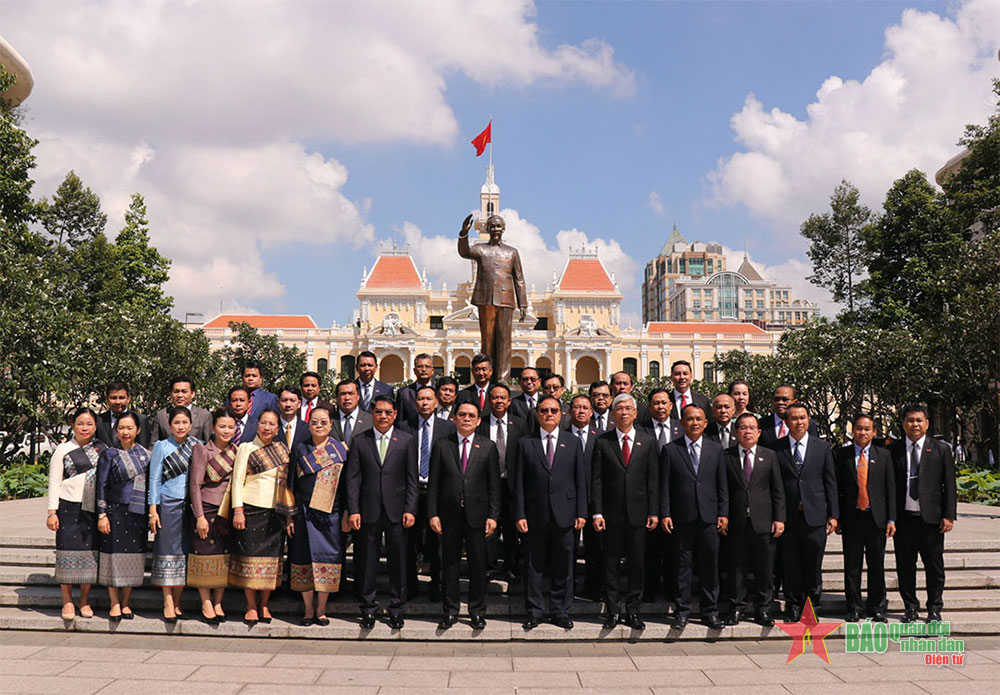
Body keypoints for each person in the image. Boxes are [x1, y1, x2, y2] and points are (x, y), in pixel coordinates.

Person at [514, 396, 587, 629]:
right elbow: (519, 484)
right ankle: (534, 611)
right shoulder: (526, 443)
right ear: (537, 414)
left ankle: (560, 610)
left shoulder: (572, 442)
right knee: (534, 565)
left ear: (561, 414)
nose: (549, 414)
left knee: (563, 566)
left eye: (553, 410)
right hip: (534, 515)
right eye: (544, 410)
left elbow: (580, 481)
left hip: (565, 514)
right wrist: (520, 514)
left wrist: (581, 512)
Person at [428, 401, 502, 630]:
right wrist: (433, 514)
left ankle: (477, 611)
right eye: (462, 415)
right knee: (449, 564)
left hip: (478, 516)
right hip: (448, 515)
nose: (467, 419)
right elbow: (434, 484)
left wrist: (493, 515)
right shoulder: (442, 446)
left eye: (472, 415)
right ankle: (450, 611)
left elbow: (494, 486)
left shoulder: (488, 447)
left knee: (478, 565)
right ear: (454, 419)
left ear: (479, 420)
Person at [346, 396, 418, 629]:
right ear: (372, 414)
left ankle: (397, 608)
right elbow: (353, 479)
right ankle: (368, 607)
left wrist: (410, 509)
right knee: (367, 561)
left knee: (398, 562)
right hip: (368, 510)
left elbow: (412, 480)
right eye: (379, 412)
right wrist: (354, 510)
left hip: (398, 511)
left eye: (388, 412)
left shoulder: (406, 440)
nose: (383, 416)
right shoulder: (359, 441)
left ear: (395, 414)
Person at [590, 394, 659, 630]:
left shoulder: (647, 441)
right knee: (610, 564)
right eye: (619, 408)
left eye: (628, 408)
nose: (624, 412)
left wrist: (654, 511)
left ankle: (633, 611)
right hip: (611, 515)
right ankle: (612, 611)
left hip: (639, 515)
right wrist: (597, 513)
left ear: (636, 412)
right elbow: (596, 480)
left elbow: (653, 479)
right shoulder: (603, 441)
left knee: (637, 565)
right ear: (613, 413)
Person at [661, 404, 729, 630]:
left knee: (710, 566)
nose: (695, 423)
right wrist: (666, 513)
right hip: (681, 518)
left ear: (705, 422)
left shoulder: (715, 449)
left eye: (699, 419)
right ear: (681, 423)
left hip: (709, 518)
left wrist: (723, 513)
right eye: (689, 419)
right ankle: (682, 611)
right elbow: (665, 486)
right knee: (682, 567)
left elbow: (722, 486)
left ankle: (710, 611)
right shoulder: (671, 450)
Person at [229, 408, 297, 625]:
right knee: (249, 559)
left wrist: (288, 516)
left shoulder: (282, 450)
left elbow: (287, 486)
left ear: (278, 428)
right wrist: (237, 510)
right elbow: (237, 481)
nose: (267, 428)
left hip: (275, 512)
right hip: (250, 510)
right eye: (264, 423)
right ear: (257, 424)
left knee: (271, 562)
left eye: (272, 424)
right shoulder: (246, 448)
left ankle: (264, 605)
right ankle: (250, 605)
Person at [891, 404, 956, 624]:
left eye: (919, 420)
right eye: (910, 420)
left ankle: (934, 608)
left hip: (931, 520)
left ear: (927, 423)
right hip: (904, 519)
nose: (915, 424)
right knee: (905, 566)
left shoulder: (940, 449)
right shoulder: (893, 450)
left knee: (934, 566)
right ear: (903, 423)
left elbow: (949, 485)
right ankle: (910, 607)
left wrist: (949, 515)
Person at [775, 403, 838, 621]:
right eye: (794, 418)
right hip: (789, 518)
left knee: (813, 564)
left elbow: (830, 482)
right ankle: (793, 605)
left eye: (803, 418)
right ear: (786, 422)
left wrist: (833, 514)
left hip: (816, 516)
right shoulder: (778, 448)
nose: (799, 422)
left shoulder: (822, 448)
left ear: (808, 420)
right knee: (791, 564)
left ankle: (813, 606)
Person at [721, 413, 785, 627]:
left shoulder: (769, 456)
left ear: (759, 432)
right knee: (736, 567)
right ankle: (736, 608)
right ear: (736, 431)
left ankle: (763, 609)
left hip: (763, 521)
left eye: (752, 428)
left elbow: (777, 491)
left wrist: (779, 518)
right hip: (736, 520)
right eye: (743, 428)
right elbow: (723, 490)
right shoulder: (726, 456)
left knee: (764, 568)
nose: (748, 432)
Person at [289, 405, 349, 626]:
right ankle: (307, 609)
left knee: (327, 559)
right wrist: (289, 515)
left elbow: (347, 486)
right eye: (314, 421)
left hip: (329, 514)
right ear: (309, 424)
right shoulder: (300, 448)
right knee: (302, 558)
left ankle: (322, 609)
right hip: (303, 512)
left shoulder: (340, 450)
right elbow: (290, 484)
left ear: (331, 425)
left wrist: (346, 513)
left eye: (324, 422)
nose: (319, 426)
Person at [47, 407, 108, 620]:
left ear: (96, 426)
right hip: (68, 507)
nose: (85, 428)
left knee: (89, 554)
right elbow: (54, 481)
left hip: (93, 508)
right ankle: (67, 601)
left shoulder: (102, 449)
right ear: (73, 425)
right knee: (66, 553)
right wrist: (52, 511)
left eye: (89, 424)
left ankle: (84, 600)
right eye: (80, 423)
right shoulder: (63, 449)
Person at [396, 385, 455, 601]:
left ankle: (437, 585)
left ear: (436, 402)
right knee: (409, 542)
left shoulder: (447, 428)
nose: (425, 403)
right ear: (415, 402)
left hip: (437, 492)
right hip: (410, 492)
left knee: (438, 542)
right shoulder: (403, 426)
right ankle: (409, 586)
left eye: (429, 399)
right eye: (421, 399)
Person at [835, 414, 896, 623]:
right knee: (852, 566)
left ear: (874, 432)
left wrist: (891, 519)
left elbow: (890, 489)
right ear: (853, 431)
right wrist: (837, 517)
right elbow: (837, 489)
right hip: (852, 518)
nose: (862, 432)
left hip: (875, 518)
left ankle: (877, 607)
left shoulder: (883, 455)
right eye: (859, 428)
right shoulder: (841, 455)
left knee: (876, 564)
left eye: (867, 429)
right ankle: (853, 606)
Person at [457, 213, 528, 381]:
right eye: (493, 226)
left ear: (503, 229)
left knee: (504, 340)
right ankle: (486, 377)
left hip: (506, 300)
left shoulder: (512, 252)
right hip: (485, 299)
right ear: (487, 229)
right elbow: (464, 251)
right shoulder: (481, 249)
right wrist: (463, 234)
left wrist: (523, 304)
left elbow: (519, 279)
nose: (496, 229)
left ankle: (502, 379)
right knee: (487, 340)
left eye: (499, 226)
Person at [149, 405, 201, 622]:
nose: (180, 427)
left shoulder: (197, 446)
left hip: (190, 506)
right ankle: (167, 601)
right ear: (170, 425)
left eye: (184, 422)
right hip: (168, 504)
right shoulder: (162, 446)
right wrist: (153, 509)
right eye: (176, 423)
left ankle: (177, 601)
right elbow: (154, 478)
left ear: (191, 425)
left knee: (183, 553)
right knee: (166, 552)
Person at [96, 412, 150, 620]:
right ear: (115, 431)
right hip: (114, 511)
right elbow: (101, 485)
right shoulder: (110, 454)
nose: (125, 432)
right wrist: (102, 514)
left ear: (138, 430)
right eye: (121, 428)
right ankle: (114, 602)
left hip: (137, 513)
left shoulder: (146, 455)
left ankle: (126, 602)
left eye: (130, 428)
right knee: (112, 556)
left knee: (134, 557)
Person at [187, 408, 239, 623]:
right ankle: (206, 601)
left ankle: (218, 601)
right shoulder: (202, 449)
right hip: (207, 508)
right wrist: (199, 515)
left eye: (230, 427)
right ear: (212, 428)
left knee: (223, 556)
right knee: (205, 554)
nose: (226, 431)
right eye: (222, 426)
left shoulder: (237, 450)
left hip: (227, 509)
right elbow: (195, 485)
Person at [477, 382, 525, 579]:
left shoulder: (520, 424)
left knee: (512, 526)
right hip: (487, 484)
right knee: (489, 525)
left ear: (509, 401)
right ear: (489, 401)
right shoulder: (481, 424)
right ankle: (489, 566)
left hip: (512, 483)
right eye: (495, 397)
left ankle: (511, 566)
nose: (498, 401)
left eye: (502, 398)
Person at [639, 388, 682, 602]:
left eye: (664, 403)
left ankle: (674, 592)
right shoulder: (640, 431)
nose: (661, 407)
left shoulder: (680, 429)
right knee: (651, 550)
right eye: (656, 403)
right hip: (649, 498)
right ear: (649, 407)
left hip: (677, 498)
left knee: (675, 551)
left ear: (671, 405)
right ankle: (650, 591)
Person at [566, 394, 602, 601]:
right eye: (577, 407)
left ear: (591, 412)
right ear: (570, 411)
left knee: (595, 548)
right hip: (568, 502)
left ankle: (595, 589)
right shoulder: (561, 436)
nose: (581, 411)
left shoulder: (602, 436)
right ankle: (568, 591)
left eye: (585, 408)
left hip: (593, 501)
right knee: (567, 549)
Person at [150, 376, 212, 442]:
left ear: (192, 394)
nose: (180, 395)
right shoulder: (161, 415)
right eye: (176, 391)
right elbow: (153, 444)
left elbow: (208, 444)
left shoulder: (204, 416)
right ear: (171, 393)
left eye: (184, 392)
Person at [95, 382, 151, 449]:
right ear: (107, 399)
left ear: (128, 399)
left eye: (121, 398)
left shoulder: (140, 419)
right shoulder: (99, 420)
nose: (118, 402)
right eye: (113, 398)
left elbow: (143, 447)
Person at [759, 385, 817, 450]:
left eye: (785, 399)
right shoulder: (762, 423)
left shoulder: (808, 424)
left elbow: (813, 449)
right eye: (777, 399)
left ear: (795, 402)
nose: (780, 402)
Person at [397, 353, 436, 425]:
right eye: (420, 366)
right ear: (414, 370)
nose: (424, 369)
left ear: (432, 370)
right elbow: (400, 421)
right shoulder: (404, 393)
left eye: (427, 366)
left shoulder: (438, 392)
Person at [331, 379, 372, 444]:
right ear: (337, 398)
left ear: (358, 396)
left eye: (351, 393)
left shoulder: (370, 420)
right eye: (343, 394)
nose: (347, 398)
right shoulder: (329, 420)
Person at [278, 385, 310, 451]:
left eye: (292, 400)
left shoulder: (308, 429)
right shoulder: (271, 427)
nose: (288, 405)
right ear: (278, 403)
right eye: (284, 400)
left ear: (299, 404)